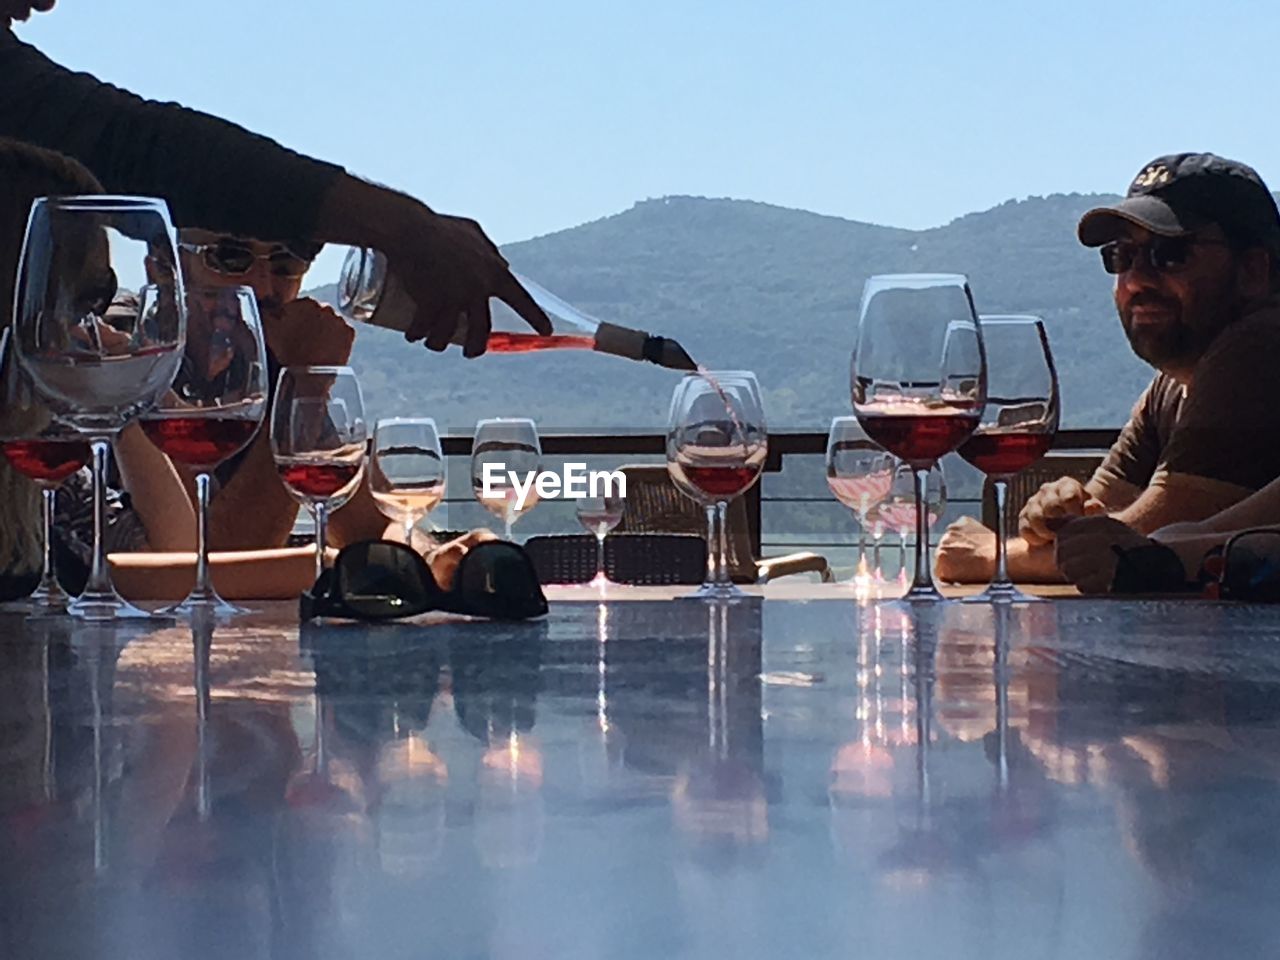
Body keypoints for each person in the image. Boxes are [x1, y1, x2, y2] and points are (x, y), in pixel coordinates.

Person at [0, 1, 551, 356]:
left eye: (289, 260)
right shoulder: (127, 356)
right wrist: (403, 227)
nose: (47, 3)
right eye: (230, 257)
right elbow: (129, 144)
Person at [937, 152, 1280, 585]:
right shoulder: (1173, 387)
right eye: (1122, 256)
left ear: (1253, 269)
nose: (1136, 280)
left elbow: (1138, 548)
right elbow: (1103, 520)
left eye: (1169, 254)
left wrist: (993, 556)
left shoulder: (1261, 347)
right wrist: (1060, 514)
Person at [0, 138, 196, 599]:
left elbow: (173, 560)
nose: (90, 323)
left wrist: (112, 400)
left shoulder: (50, 469)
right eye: (87, 295)